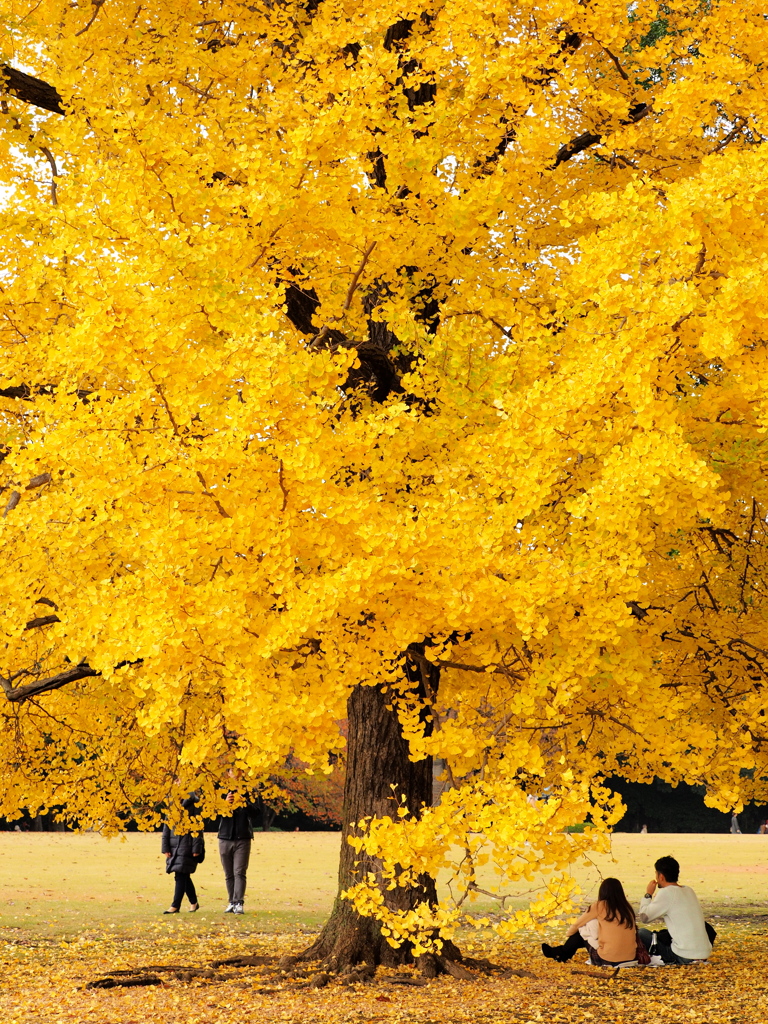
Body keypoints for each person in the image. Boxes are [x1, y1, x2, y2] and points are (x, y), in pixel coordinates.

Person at [541, 877, 639, 966]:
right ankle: (561, 953)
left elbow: (578, 924)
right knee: (590, 928)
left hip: (606, 959)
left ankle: (561, 953)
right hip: (630, 958)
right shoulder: (627, 908)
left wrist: (569, 934)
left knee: (582, 929)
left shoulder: (600, 905)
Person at [637, 855, 716, 964]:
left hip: (684, 954)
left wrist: (648, 894)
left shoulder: (667, 892)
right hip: (703, 953)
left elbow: (644, 917)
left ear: (661, 877)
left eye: (656, 874)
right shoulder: (688, 890)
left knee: (640, 933)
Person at [218, 789, 258, 914]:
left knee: (239, 871)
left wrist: (244, 802)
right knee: (228, 873)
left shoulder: (248, 790)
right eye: (232, 771)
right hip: (224, 838)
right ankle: (231, 902)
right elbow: (212, 813)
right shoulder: (220, 789)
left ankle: (238, 902)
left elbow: (257, 812)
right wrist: (225, 803)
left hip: (243, 838)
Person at [161, 799, 205, 914]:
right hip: (174, 844)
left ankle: (175, 906)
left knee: (180, 874)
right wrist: (165, 847)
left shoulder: (194, 802)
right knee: (183, 875)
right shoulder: (172, 802)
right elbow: (166, 826)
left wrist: (196, 848)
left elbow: (198, 827)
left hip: (188, 844)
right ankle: (194, 903)